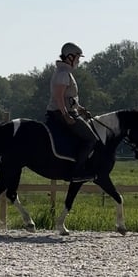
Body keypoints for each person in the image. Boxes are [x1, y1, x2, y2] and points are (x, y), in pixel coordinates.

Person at [46, 42, 98, 181]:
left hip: (68, 111)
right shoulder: (63, 74)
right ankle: (77, 171)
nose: (79, 61)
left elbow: (70, 98)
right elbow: (58, 97)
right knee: (91, 139)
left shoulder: (66, 73)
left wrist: (80, 109)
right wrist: (66, 115)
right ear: (69, 57)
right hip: (60, 113)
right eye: (77, 57)